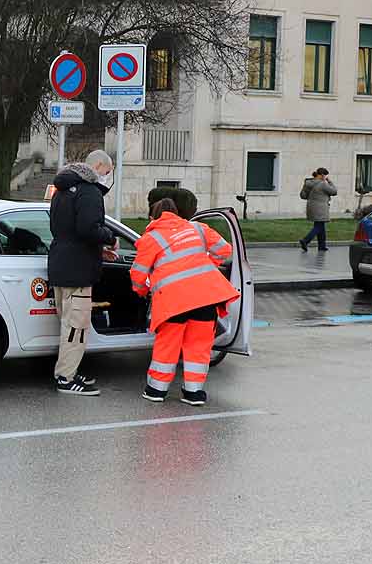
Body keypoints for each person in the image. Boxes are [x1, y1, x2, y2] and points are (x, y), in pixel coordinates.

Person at [130, 198, 240, 406]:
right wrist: (206, 265)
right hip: (206, 297)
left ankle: (156, 390)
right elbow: (224, 250)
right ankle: (193, 393)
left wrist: (142, 290)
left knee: (168, 345)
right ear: (177, 213)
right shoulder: (198, 228)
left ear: (152, 217)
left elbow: (138, 274)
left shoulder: (151, 237)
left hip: (173, 302)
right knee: (198, 346)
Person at [46, 149, 117, 397]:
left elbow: (64, 229)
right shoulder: (89, 191)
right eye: (107, 172)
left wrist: (97, 250)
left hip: (59, 263)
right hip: (78, 271)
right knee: (76, 327)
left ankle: (69, 371)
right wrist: (110, 238)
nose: (107, 178)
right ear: (97, 166)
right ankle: (66, 378)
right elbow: (88, 229)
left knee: (67, 324)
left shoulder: (62, 189)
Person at [299, 167, 337, 252]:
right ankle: (305, 240)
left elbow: (303, 196)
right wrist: (330, 181)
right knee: (318, 226)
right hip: (321, 208)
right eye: (326, 176)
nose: (326, 177)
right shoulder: (323, 184)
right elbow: (334, 191)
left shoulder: (308, 183)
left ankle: (322, 246)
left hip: (311, 206)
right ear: (323, 175)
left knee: (321, 225)